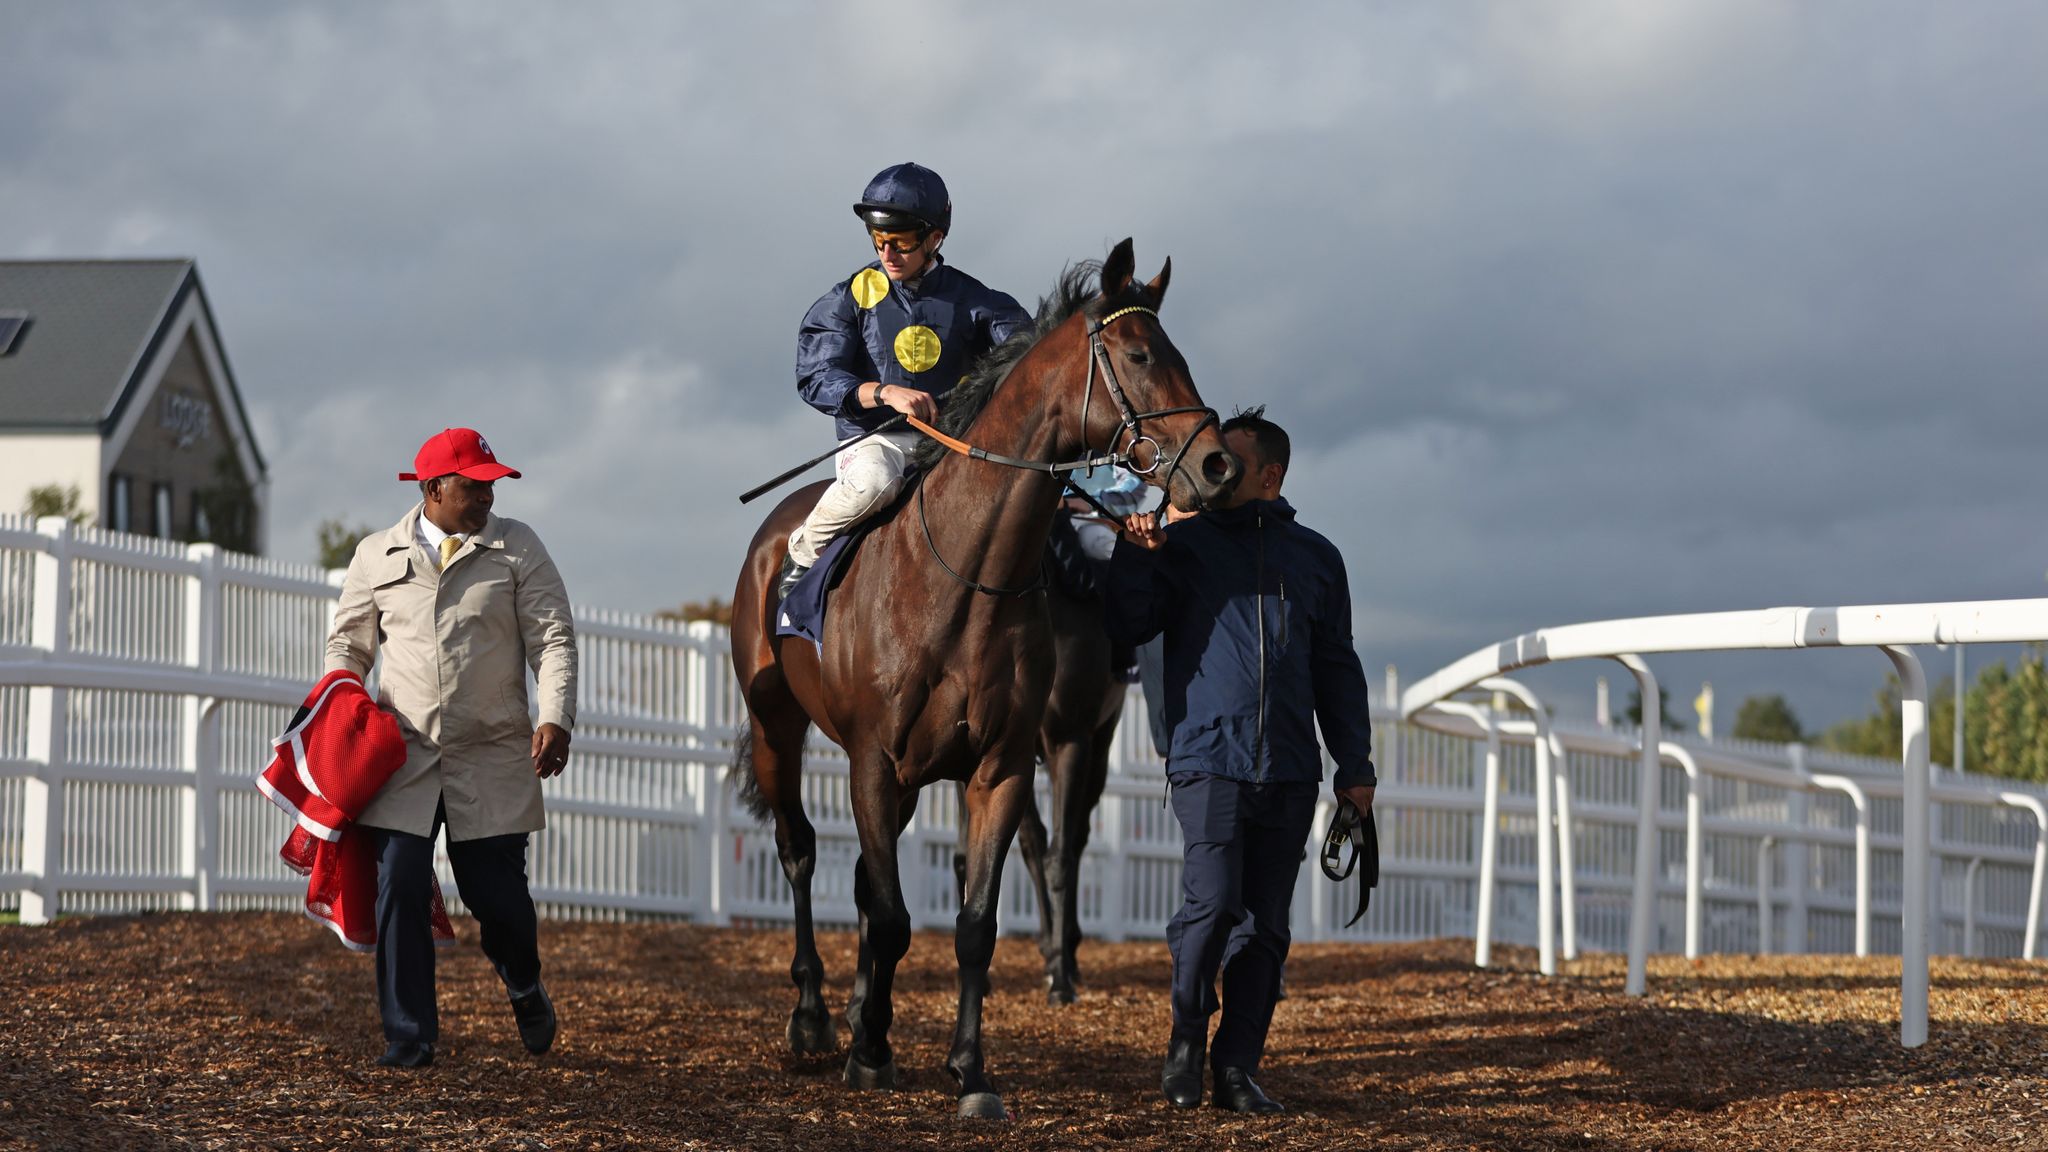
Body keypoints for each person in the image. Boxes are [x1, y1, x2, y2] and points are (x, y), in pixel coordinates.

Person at [1106, 406, 1375, 1114]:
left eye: (1230, 461)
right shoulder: (1184, 548)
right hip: (1208, 759)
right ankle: (1186, 1039)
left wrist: (1356, 767)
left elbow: (1337, 668)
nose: (1214, 470)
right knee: (1212, 905)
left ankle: (1236, 1068)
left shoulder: (1318, 558)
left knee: (1266, 927)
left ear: (1270, 475)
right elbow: (1129, 627)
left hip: (1290, 771)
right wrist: (1137, 553)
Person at [326, 427, 579, 1068]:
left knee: (499, 901)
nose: (488, 495)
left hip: (493, 754)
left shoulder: (519, 549)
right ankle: (408, 1039)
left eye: (493, 484)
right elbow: (347, 647)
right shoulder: (375, 556)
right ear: (435, 489)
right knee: (399, 884)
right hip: (403, 756)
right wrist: (344, 695)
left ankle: (523, 982)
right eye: (474, 485)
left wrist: (556, 716)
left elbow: (553, 639)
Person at [780, 161, 1033, 602]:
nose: (887, 253)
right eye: (879, 240)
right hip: (873, 443)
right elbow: (817, 376)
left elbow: (1029, 359)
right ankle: (803, 552)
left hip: (952, 443)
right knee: (877, 482)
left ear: (935, 238)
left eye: (900, 242)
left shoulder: (977, 301)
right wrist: (884, 392)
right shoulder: (846, 299)